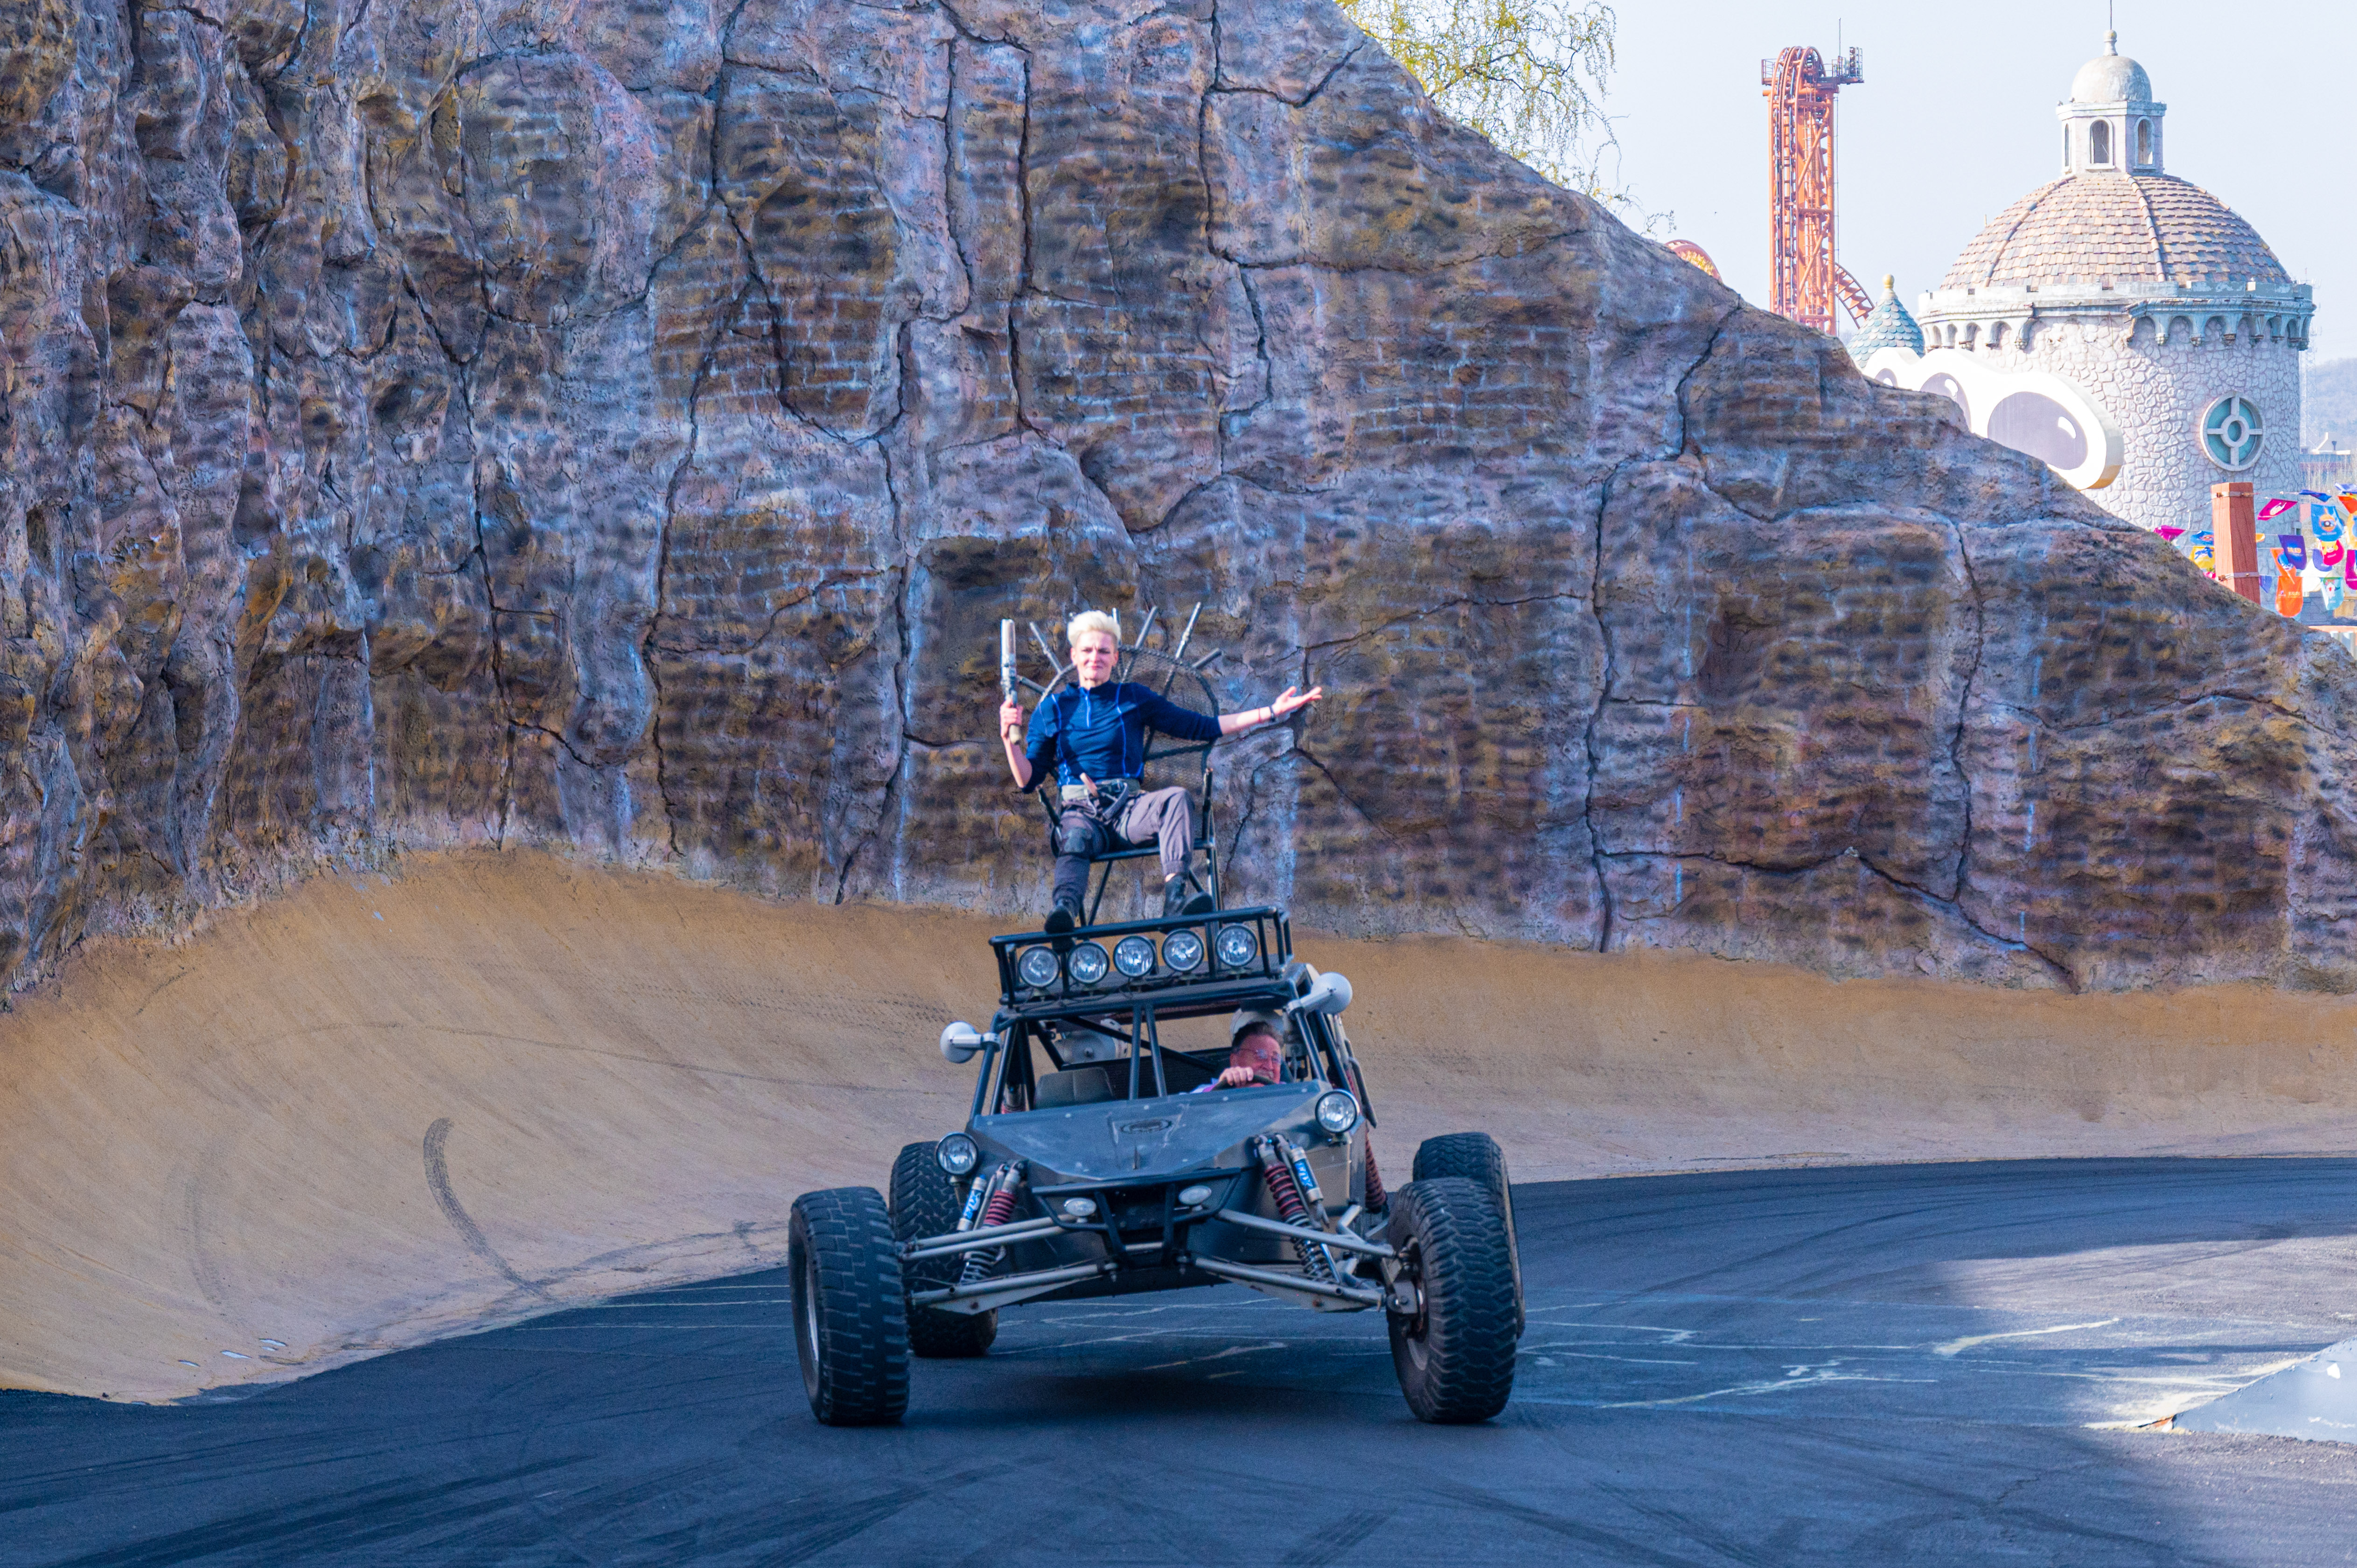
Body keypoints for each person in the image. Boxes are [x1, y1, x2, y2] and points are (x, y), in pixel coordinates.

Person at [1000, 610, 1321, 931]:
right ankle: (1064, 914)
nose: (1094, 657)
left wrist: (1270, 712)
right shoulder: (1052, 709)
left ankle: (1175, 900)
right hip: (1080, 814)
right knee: (1075, 837)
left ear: (1115, 656)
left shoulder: (1133, 698)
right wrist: (1008, 741)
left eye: (1103, 651)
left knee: (1176, 799)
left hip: (1128, 810)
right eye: (1087, 650)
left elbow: (1201, 727)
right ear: (1074, 655)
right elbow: (1028, 779)